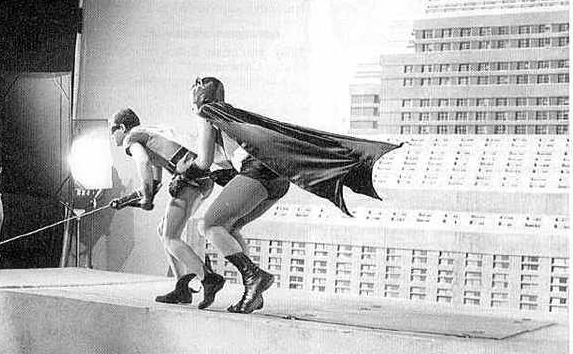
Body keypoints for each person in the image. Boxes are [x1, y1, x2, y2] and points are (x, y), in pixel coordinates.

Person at [186, 77, 401, 314]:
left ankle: (254, 278)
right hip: (277, 178)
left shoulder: (207, 114)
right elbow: (237, 154)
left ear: (198, 99)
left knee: (209, 225)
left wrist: (183, 172)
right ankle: (253, 291)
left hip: (258, 172)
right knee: (230, 227)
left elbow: (203, 161)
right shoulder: (230, 114)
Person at [108, 108, 229, 309]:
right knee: (163, 231)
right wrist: (129, 200)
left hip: (191, 180)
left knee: (170, 237)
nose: (112, 137)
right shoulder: (150, 134)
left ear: (121, 127)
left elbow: (143, 163)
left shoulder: (131, 138)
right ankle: (182, 286)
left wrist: (146, 198)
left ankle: (209, 279)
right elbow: (155, 181)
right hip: (200, 179)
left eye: (112, 131)